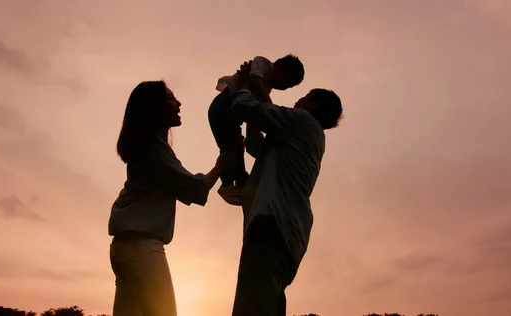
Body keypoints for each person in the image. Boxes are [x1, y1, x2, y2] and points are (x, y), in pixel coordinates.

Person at [108, 80, 233, 316]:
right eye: (171, 98)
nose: (178, 103)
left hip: (123, 247)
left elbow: (188, 187)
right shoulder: (154, 149)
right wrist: (221, 165)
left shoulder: (149, 147)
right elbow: (193, 188)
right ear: (154, 107)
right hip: (141, 247)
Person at [229, 62, 343, 316]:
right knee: (268, 306)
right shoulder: (303, 134)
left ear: (313, 104)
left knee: (252, 307)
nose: (297, 100)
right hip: (288, 234)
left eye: (303, 96)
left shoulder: (302, 121)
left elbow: (242, 106)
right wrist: (258, 111)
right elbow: (257, 147)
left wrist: (247, 83)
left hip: (272, 224)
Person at [208, 54, 305, 205]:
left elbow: (252, 111)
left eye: (290, 87)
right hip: (222, 108)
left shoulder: (266, 88)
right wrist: (270, 109)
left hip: (233, 117)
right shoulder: (262, 64)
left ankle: (241, 181)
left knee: (236, 146)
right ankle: (227, 183)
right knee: (231, 147)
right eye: (288, 82)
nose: (285, 88)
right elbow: (254, 81)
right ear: (280, 67)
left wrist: (257, 130)